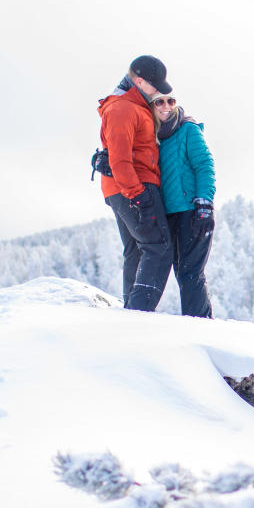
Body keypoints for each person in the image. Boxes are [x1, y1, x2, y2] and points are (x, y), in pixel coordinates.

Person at [98, 55, 174, 312]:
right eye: (155, 86)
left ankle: (132, 311)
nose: (158, 92)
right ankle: (139, 313)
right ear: (139, 81)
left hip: (125, 188)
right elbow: (119, 159)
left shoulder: (134, 105)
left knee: (138, 251)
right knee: (159, 249)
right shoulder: (123, 108)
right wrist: (139, 196)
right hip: (134, 187)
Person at [153, 92, 216, 317]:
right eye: (159, 101)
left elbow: (204, 165)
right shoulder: (155, 140)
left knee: (191, 273)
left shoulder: (188, 129)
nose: (167, 106)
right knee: (181, 273)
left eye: (171, 101)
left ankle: (201, 326)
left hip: (193, 211)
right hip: (170, 215)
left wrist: (204, 204)